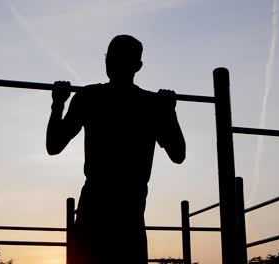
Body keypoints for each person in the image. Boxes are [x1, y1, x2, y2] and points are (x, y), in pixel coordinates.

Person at [46, 35, 186, 264]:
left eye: (116, 58)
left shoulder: (90, 97)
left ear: (137, 66)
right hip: (124, 214)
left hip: (104, 211)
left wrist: (58, 103)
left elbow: (53, 145)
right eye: (111, 57)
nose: (111, 63)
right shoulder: (150, 105)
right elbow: (178, 154)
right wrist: (169, 112)